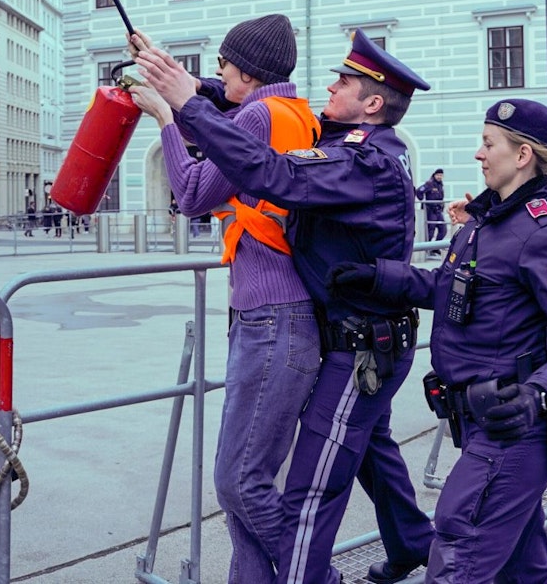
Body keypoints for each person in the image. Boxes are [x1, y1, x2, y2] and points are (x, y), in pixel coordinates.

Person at [133, 29, 435, 584]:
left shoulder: (361, 160)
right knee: (366, 451)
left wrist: (180, 108)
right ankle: (413, 543)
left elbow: (271, 173)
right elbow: (252, 102)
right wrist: (183, 80)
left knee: (292, 488)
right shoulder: (328, 130)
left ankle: (317, 575)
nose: (331, 83)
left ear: (371, 104)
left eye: (343, 80)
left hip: (355, 342)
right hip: (343, 332)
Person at [329, 99, 547, 582]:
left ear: (521, 156)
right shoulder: (486, 222)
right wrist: (381, 278)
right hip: (478, 419)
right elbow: (455, 290)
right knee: (529, 571)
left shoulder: (544, 232)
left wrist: (540, 393)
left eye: (488, 143)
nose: (479, 154)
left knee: (458, 546)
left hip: (515, 427)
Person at [129, 13, 325, 583]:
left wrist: (166, 116)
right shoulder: (292, 112)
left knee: (239, 481)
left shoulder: (259, 116)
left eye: (222, 65)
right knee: (249, 480)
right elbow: (216, 117)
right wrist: (167, 69)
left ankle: (313, 573)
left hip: (272, 316)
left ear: (245, 72)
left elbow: (191, 192)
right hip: (281, 313)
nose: (217, 74)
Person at [415, 168, 447, 256]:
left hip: (438, 210)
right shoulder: (429, 183)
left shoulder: (440, 185)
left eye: (441, 175)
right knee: (430, 231)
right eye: (438, 175)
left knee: (443, 229)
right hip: (431, 210)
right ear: (434, 175)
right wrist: (423, 202)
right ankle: (427, 250)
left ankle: (435, 248)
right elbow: (418, 191)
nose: (439, 177)